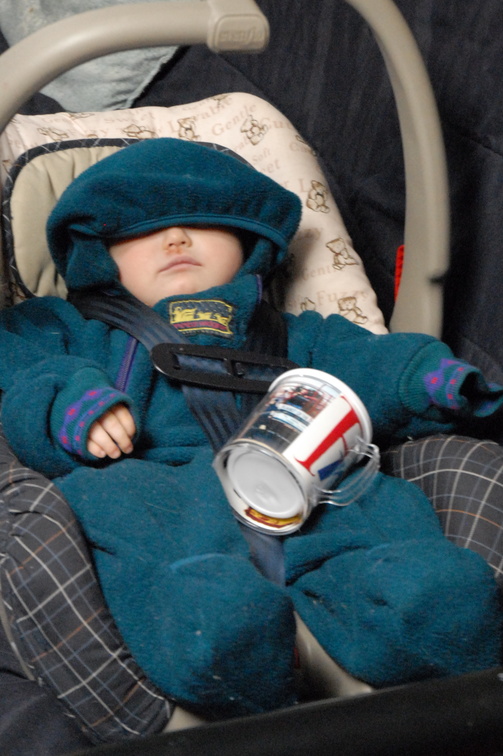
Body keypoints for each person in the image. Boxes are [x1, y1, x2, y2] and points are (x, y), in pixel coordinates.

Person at [0, 137, 501, 721]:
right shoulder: (71, 330)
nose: (177, 238)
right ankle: (225, 644)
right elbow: (24, 373)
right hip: (163, 507)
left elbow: (368, 364)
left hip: (315, 501)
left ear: (250, 242)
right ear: (99, 256)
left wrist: (426, 377)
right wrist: (74, 402)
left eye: (204, 223)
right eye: (141, 231)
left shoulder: (296, 334)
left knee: (439, 591)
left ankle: (417, 619)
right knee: (208, 610)